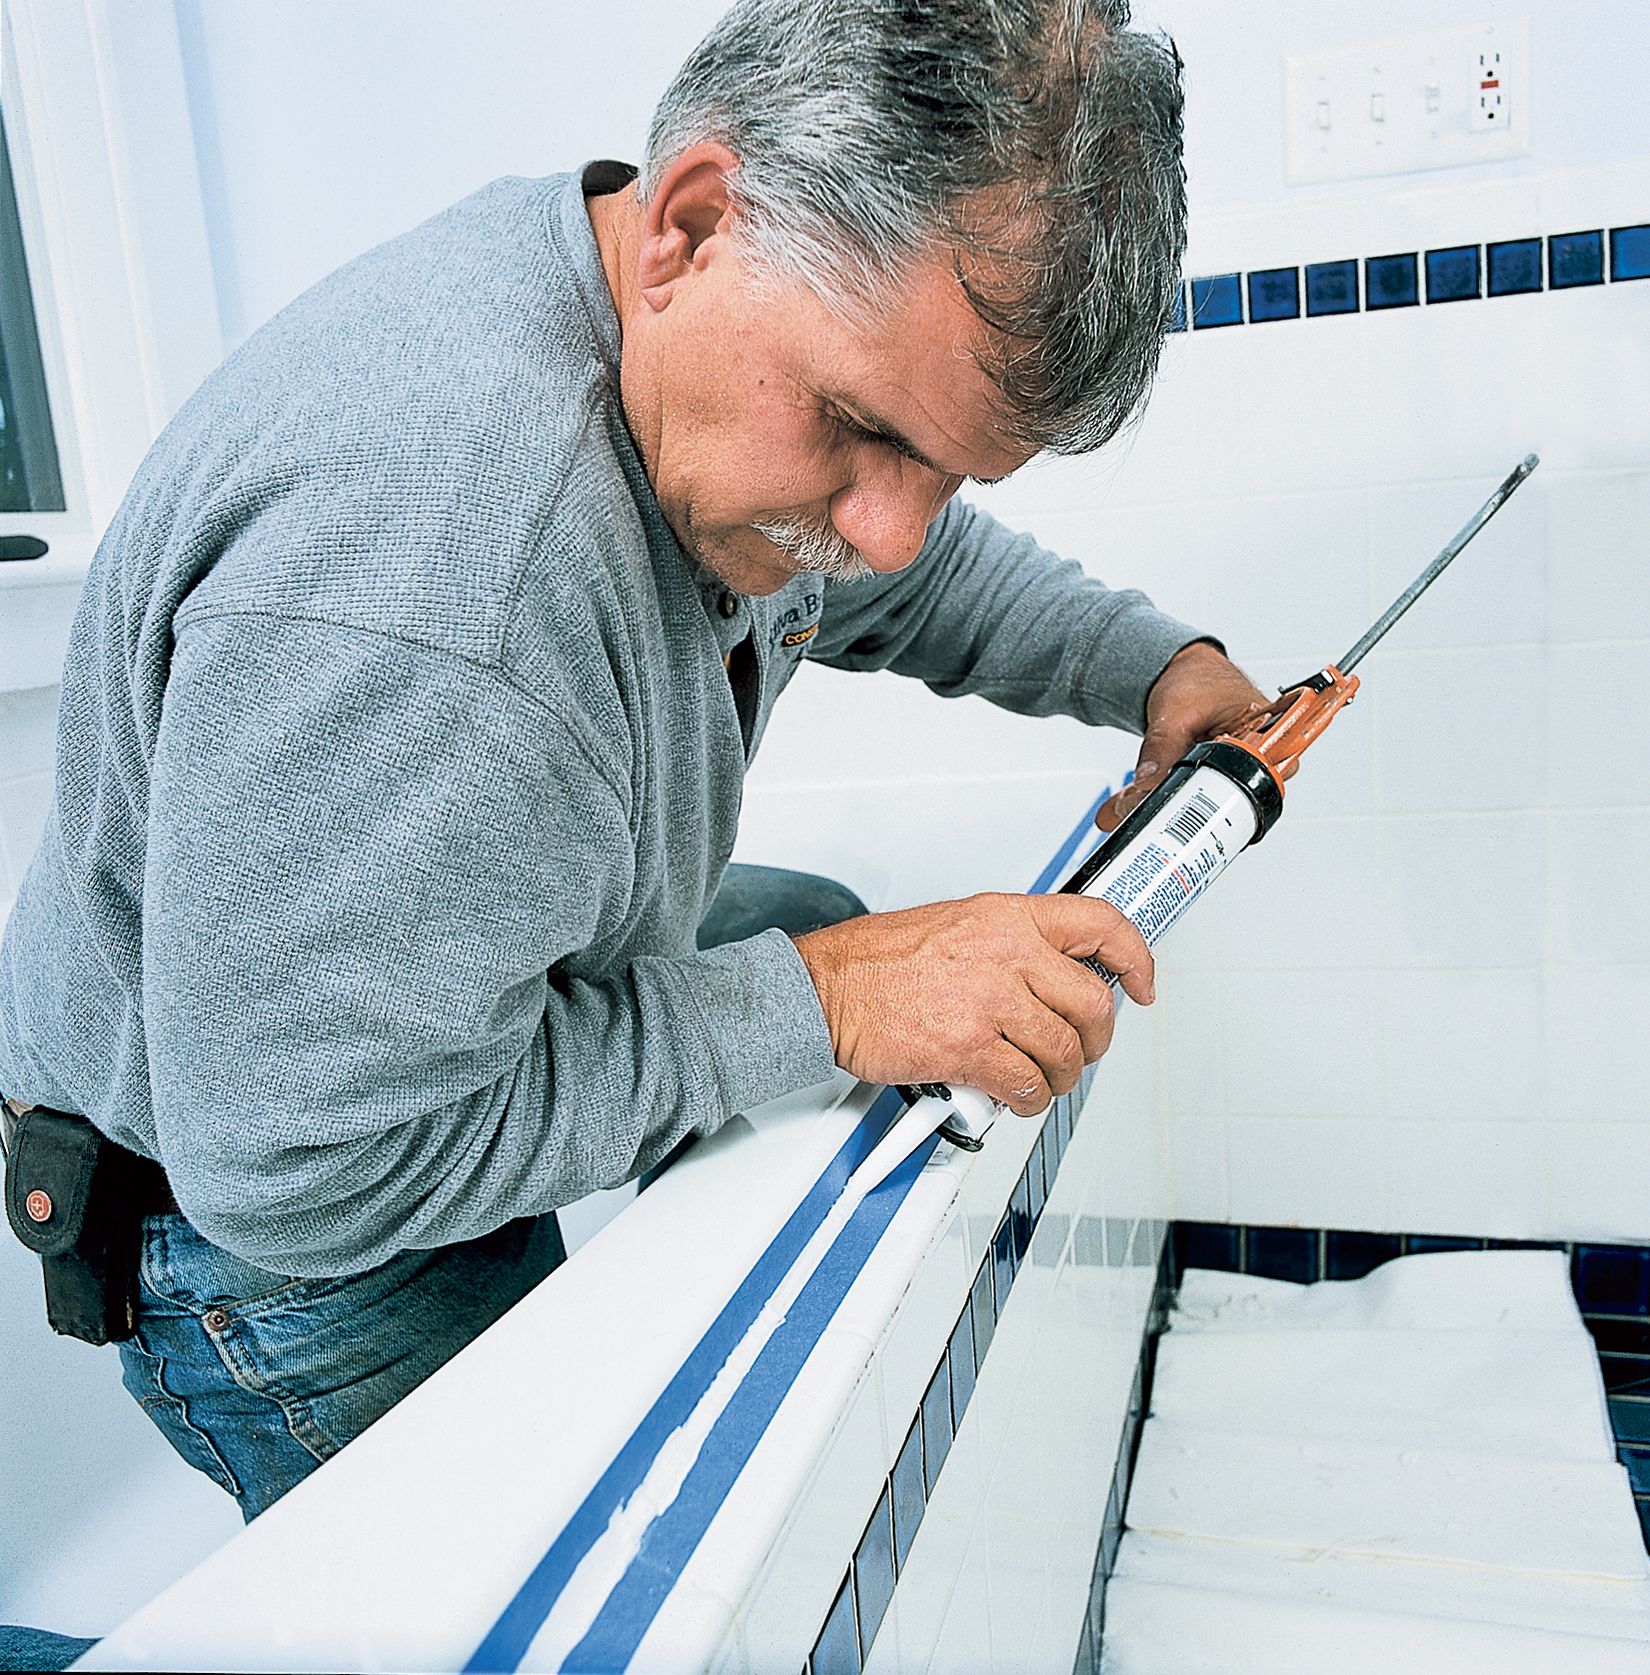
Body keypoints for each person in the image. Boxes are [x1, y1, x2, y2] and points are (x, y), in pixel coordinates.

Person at [0, 0, 1266, 1523]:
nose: (888, 529)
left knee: (810, 909)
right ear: (689, 222)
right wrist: (835, 999)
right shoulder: (430, 584)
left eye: (941, 467)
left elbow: (900, 576)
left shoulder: (700, 344)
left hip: (387, 1038)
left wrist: (1149, 666)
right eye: (863, 435)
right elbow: (302, 1170)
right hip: (278, 1241)